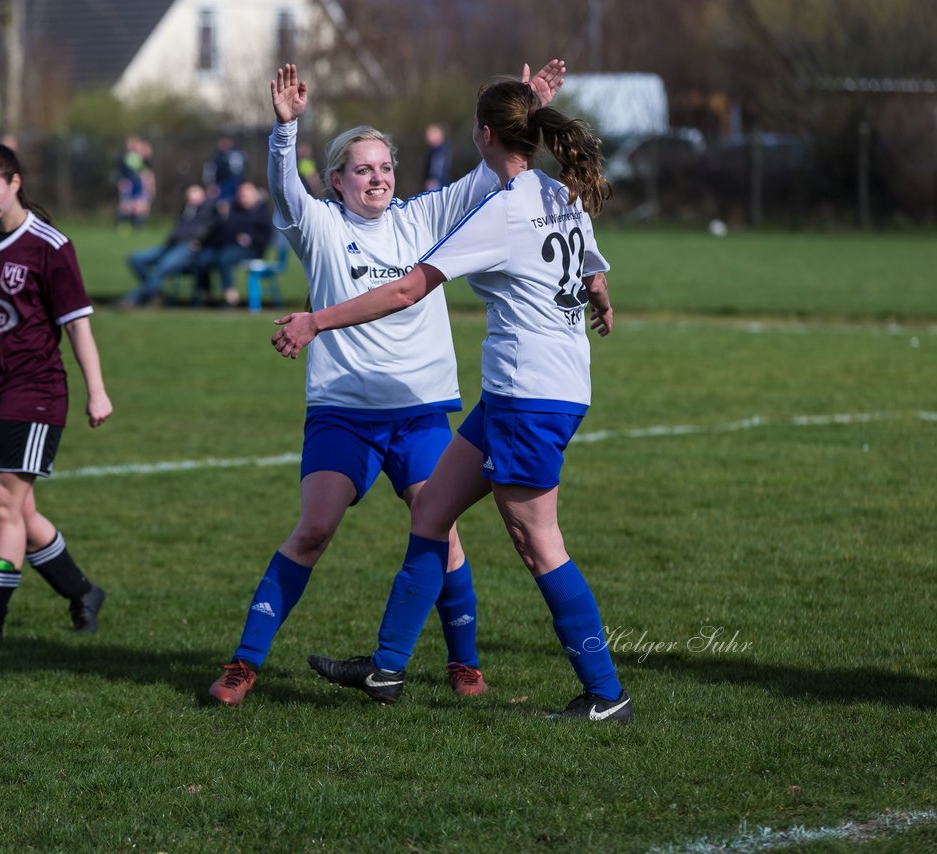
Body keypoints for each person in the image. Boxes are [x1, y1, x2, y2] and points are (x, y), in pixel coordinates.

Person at [206, 60, 565, 707]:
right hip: (342, 414)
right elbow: (285, 191)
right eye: (362, 169)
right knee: (313, 528)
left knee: (442, 530)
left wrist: (527, 109)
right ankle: (244, 662)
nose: (377, 177)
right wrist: (284, 131)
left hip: (419, 413)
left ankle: (465, 664)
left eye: (384, 167)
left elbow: (492, 171)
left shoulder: (422, 218)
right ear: (337, 179)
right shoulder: (319, 227)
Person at [273, 74, 630, 722]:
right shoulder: (557, 192)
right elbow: (591, 270)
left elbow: (408, 290)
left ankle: (606, 694)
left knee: (539, 543)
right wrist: (600, 298)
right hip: (523, 390)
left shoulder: (504, 209)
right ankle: (386, 670)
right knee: (432, 510)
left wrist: (315, 320)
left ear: (484, 134)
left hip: (531, 396)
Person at [0, 142, 113, 648]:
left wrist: (96, 391)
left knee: (0, 503)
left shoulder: (50, 246)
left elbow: (77, 327)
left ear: (15, 183)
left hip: (33, 391)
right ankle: (83, 592)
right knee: (20, 511)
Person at [121, 183, 215, 307]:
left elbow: (210, 228)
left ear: (203, 195)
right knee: (135, 259)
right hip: (171, 246)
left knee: (162, 268)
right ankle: (155, 292)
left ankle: (134, 298)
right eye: (189, 193)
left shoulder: (208, 210)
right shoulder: (186, 209)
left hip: (188, 249)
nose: (191, 196)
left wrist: (199, 240)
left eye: (195, 193)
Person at [196, 180, 272, 307]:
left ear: (254, 194)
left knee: (224, 258)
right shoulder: (233, 209)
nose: (243, 196)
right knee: (204, 258)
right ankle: (206, 296)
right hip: (229, 246)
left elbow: (266, 236)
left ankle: (231, 298)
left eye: (247, 192)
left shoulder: (261, 211)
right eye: (241, 193)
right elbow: (223, 229)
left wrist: (250, 239)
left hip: (252, 250)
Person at [116, 136, 152, 231]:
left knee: (139, 205)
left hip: (138, 183)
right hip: (128, 183)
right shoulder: (125, 157)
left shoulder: (141, 157)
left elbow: (146, 169)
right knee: (126, 205)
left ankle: (138, 226)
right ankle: (122, 225)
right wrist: (122, 181)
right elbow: (122, 170)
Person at [203, 135, 248, 202]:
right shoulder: (215, 156)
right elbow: (209, 171)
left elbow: (245, 168)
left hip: (238, 183)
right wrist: (211, 184)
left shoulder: (238, 154)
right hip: (221, 184)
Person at [422, 123, 451, 191]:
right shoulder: (434, 150)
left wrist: (433, 179)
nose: (427, 137)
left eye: (430, 134)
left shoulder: (439, 151)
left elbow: (437, 167)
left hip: (436, 185)